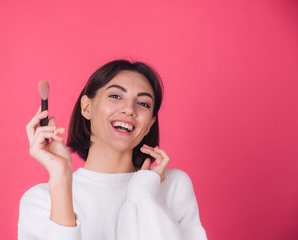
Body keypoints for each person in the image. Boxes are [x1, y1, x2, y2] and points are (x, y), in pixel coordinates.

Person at [18, 59, 208, 240]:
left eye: (143, 103)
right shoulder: (40, 200)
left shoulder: (172, 186)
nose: (129, 109)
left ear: (149, 124)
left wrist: (142, 194)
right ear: (86, 107)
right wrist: (61, 180)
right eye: (116, 96)